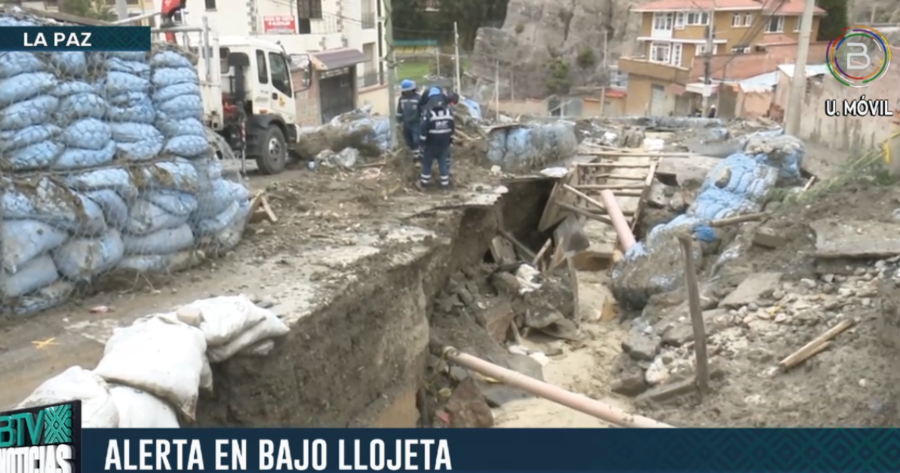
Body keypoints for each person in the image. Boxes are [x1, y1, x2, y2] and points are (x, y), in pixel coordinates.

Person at [417, 87, 455, 191]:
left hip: (431, 144)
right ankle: (445, 186)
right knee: (443, 163)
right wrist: (450, 141)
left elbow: (423, 130)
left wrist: (422, 144)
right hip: (444, 145)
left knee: (427, 163)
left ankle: (424, 184)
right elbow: (452, 129)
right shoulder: (449, 114)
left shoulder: (429, 114)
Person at [396, 79, 422, 160]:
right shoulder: (401, 99)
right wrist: (398, 121)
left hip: (416, 123)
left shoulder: (418, 98)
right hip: (406, 123)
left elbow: (422, 111)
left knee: (416, 140)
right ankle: (413, 153)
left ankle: (418, 156)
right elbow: (399, 111)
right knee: (408, 140)